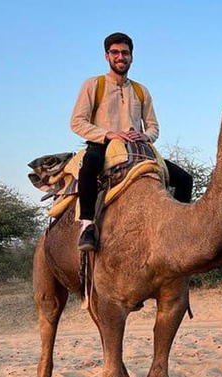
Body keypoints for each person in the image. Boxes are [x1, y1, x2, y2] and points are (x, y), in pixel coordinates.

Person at [70, 32, 192, 251]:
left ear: (131, 57)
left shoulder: (140, 90)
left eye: (124, 53)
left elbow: (153, 126)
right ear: (107, 56)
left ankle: (179, 230)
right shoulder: (94, 84)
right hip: (104, 144)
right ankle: (87, 225)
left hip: (137, 148)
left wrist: (146, 136)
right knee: (88, 167)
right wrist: (109, 134)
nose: (120, 57)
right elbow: (77, 122)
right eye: (115, 52)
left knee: (184, 179)